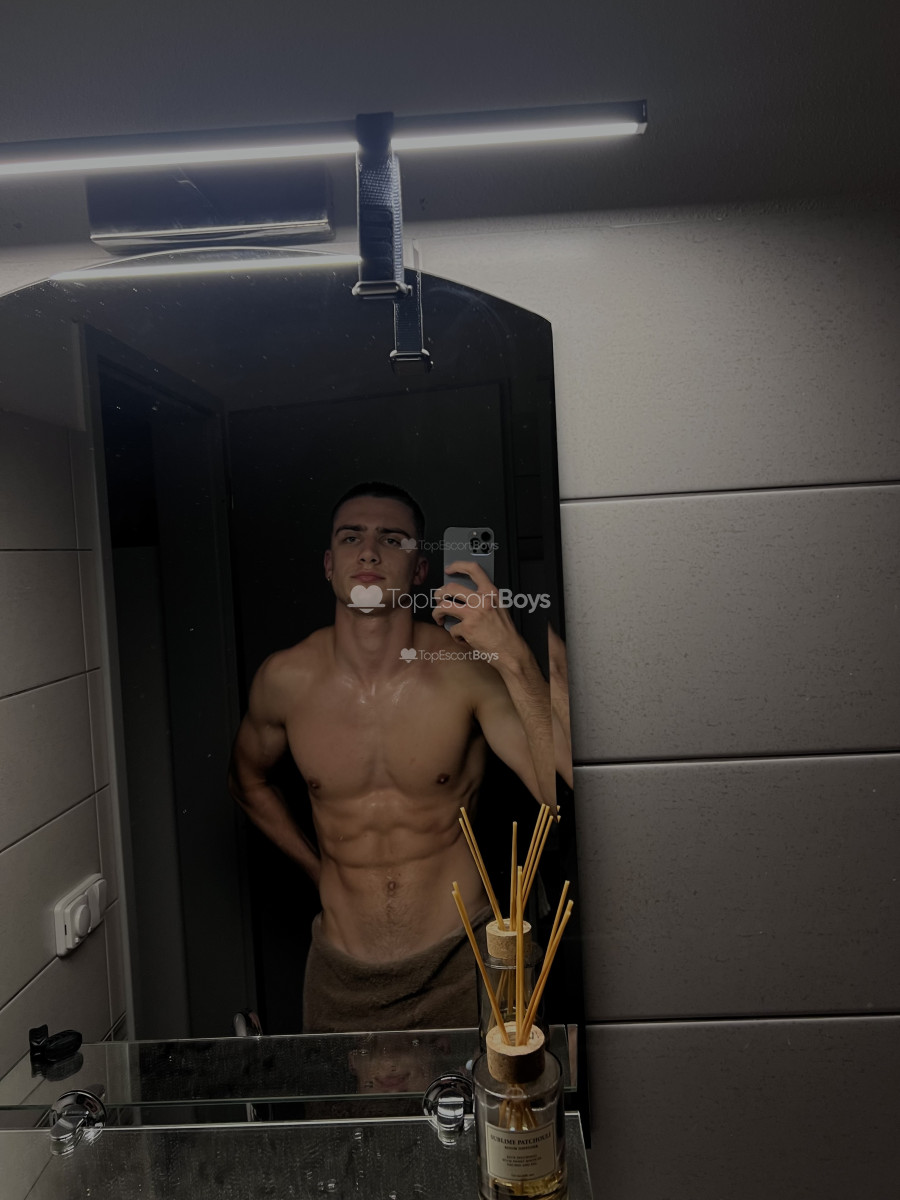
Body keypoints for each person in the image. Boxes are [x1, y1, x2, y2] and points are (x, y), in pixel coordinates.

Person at [228, 481, 567, 1032]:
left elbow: (557, 792)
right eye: (350, 538)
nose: (368, 552)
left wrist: (512, 655)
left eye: (391, 539)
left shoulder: (466, 672)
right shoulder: (285, 680)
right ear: (329, 565)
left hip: (463, 959)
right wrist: (319, 869)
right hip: (343, 970)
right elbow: (247, 783)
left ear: (419, 570)